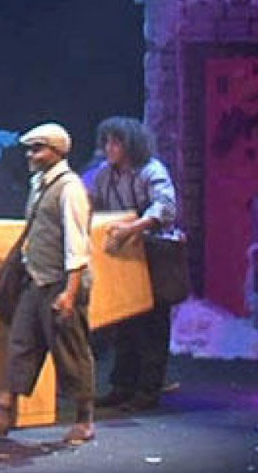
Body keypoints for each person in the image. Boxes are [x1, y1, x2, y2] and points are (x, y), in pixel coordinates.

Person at [0, 122, 96, 444]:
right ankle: (2, 412)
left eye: (38, 149)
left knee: (71, 351)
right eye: (30, 149)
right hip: (37, 279)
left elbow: (77, 244)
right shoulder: (39, 183)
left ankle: (85, 419)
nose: (30, 155)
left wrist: (70, 292)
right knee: (21, 342)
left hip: (61, 282)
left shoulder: (70, 189)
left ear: (57, 152)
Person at [87, 116, 178, 412]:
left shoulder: (152, 170)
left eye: (116, 142)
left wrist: (132, 228)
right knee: (124, 322)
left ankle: (148, 390)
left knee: (152, 326)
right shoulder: (105, 173)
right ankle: (122, 386)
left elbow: (165, 208)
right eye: (107, 142)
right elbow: (90, 198)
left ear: (131, 144)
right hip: (122, 257)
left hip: (152, 255)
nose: (109, 148)